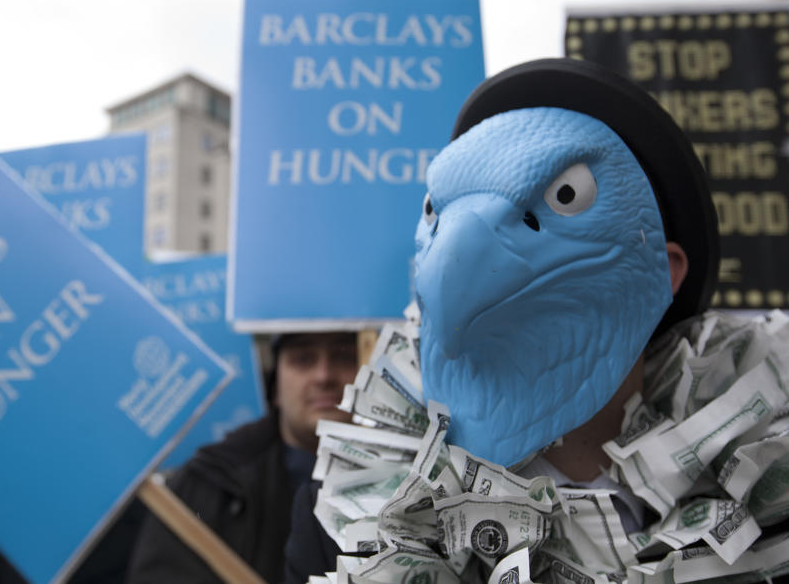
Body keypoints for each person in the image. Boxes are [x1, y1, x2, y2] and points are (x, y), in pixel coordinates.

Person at [287, 58, 789, 583]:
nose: (462, 243)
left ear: (665, 271)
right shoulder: (345, 524)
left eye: (566, 195)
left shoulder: (768, 501)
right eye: (437, 210)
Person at [125, 331, 358, 583]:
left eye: (344, 357)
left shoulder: (405, 480)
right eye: (303, 359)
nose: (323, 376)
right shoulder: (206, 484)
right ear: (275, 385)